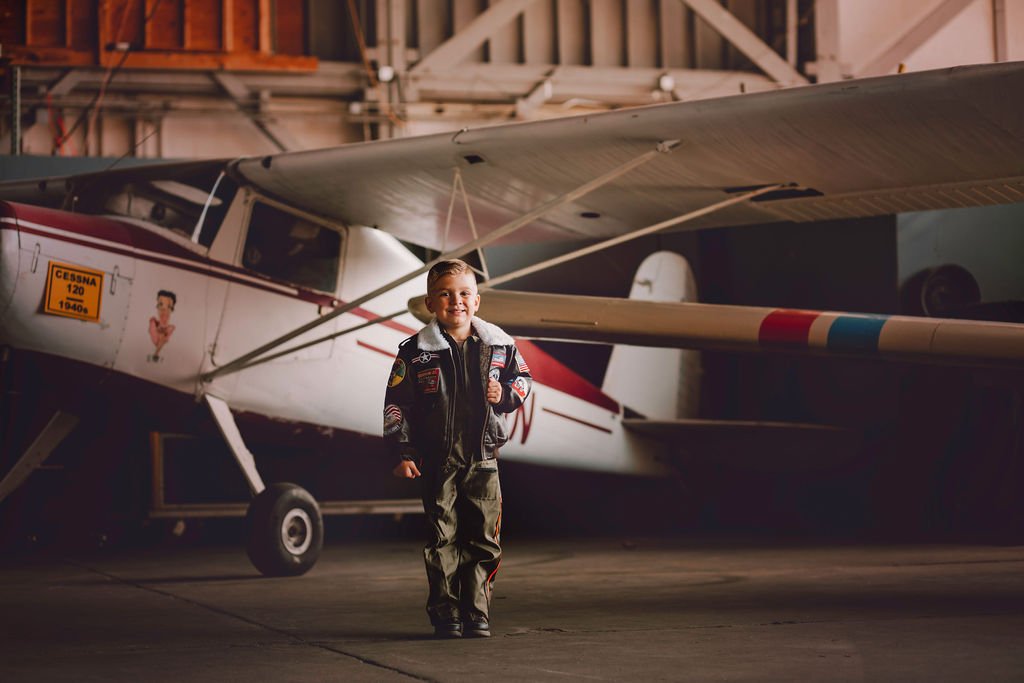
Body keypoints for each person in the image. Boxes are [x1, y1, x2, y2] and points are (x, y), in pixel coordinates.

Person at [383, 259, 532, 639]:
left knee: (484, 539)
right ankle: (446, 613)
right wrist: (403, 453)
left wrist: (507, 395)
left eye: (464, 293)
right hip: (437, 462)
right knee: (441, 539)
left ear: (477, 301)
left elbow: (525, 380)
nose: (456, 301)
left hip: (484, 460)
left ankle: (477, 613)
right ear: (431, 303)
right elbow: (398, 403)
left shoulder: (501, 345)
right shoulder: (415, 353)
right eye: (445, 294)